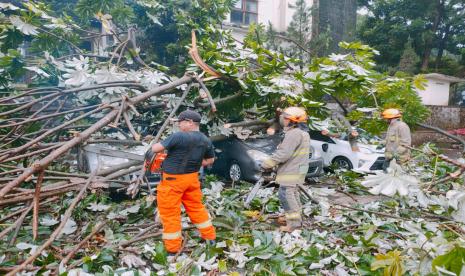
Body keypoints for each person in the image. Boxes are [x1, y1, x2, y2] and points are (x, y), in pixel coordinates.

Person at [148, 110, 216, 254]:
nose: (179, 125)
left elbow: (155, 149)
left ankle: (172, 249)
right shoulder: (205, 139)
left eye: (181, 122)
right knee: (196, 208)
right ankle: (210, 237)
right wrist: (195, 162)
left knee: (170, 213)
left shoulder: (178, 136)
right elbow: (210, 160)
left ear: (190, 122)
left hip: (172, 181)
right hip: (192, 179)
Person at [261, 107, 311, 232]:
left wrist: (266, 164)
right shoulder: (303, 133)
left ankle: (293, 225)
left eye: (284, 117)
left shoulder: (294, 134)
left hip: (292, 170)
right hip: (299, 168)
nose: (282, 119)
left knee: (286, 195)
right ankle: (295, 219)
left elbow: (284, 154)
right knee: (293, 194)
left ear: (291, 121)